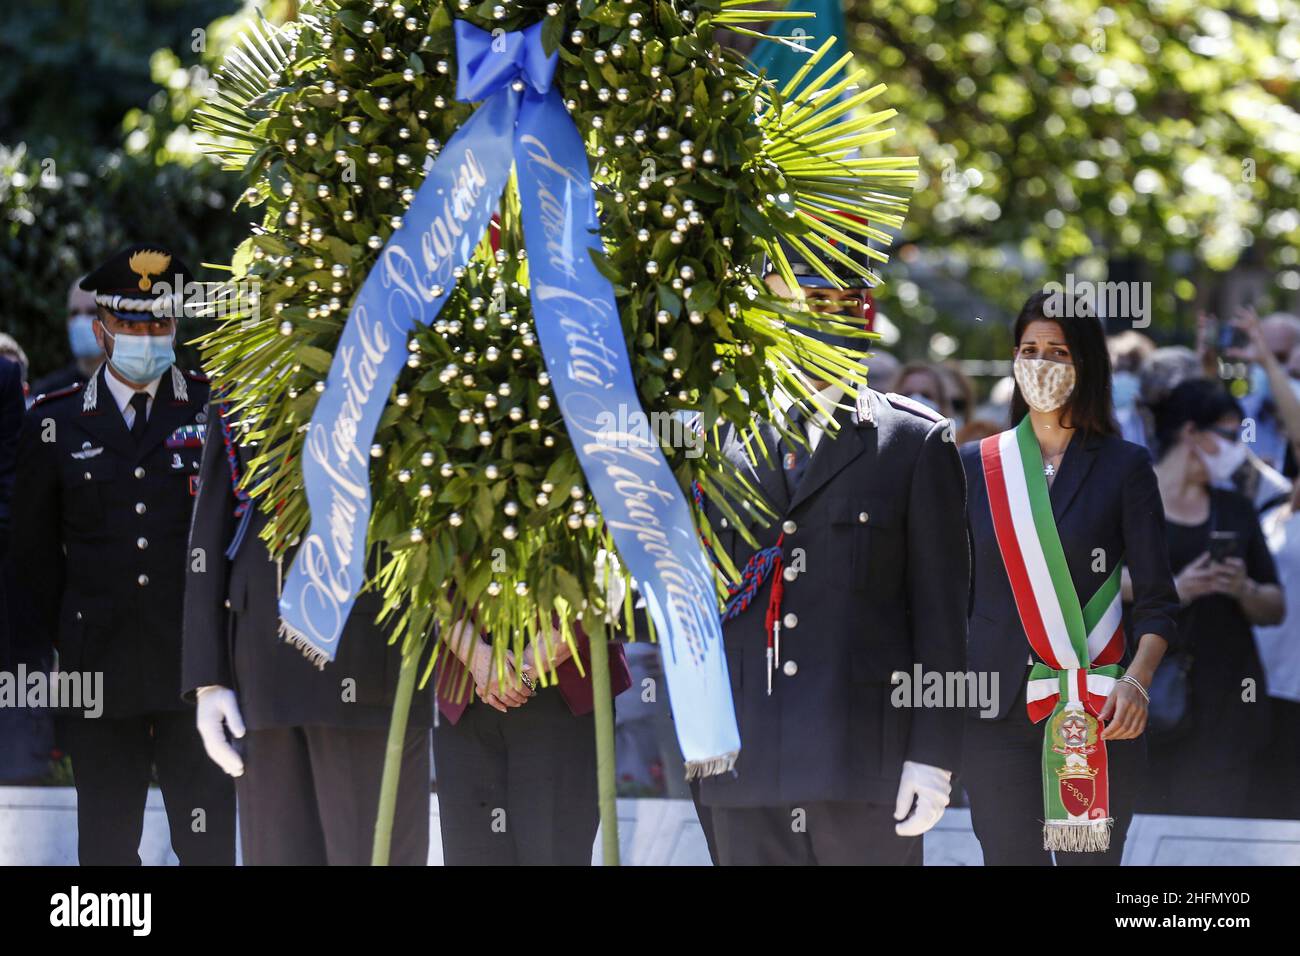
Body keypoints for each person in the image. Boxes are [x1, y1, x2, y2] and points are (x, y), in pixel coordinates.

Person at [693, 242, 969, 865]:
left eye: (833, 306)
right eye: (798, 303)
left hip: (863, 765)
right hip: (745, 763)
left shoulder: (910, 442)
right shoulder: (724, 439)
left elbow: (942, 623)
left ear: (859, 317)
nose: (814, 321)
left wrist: (933, 756)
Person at [10, 244, 235, 865]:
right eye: (132, 325)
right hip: (99, 675)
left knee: (208, 845)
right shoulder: (54, 425)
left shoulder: (213, 409)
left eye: (159, 324)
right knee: (106, 854)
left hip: (197, 672)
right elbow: (34, 563)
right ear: (104, 330)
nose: (146, 336)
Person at [961, 290, 1178, 865]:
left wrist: (1137, 683)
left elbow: (1159, 601)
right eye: (1029, 349)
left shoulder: (1125, 466)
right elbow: (949, 595)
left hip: (1098, 715)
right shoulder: (977, 466)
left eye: (1057, 351)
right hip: (998, 715)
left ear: (1085, 364)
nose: (1041, 363)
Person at [182, 404, 434, 865]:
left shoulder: (389, 344)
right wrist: (208, 677)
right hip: (262, 666)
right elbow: (214, 520)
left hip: (367, 654)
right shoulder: (250, 366)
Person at [1137, 379, 1284, 817]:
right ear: (1190, 432)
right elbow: (1090, 581)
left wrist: (1243, 588)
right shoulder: (1132, 500)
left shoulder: (1234, 506)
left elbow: (1275, 607)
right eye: (1229, 434)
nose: (1240, 447)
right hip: (1146, 699)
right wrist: (1174, 590)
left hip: (1228, 704)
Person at [430, 607, 632, 865]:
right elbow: (433, 582)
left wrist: (524, 670)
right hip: (464, 685)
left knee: (553, 854)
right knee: (471, 855)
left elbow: (600, 581)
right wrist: (477, 656)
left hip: (564, 686)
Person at [29, 278, 106, 399]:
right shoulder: (47, 394)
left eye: (92, 312)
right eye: (74, 313)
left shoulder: (131, 389)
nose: (81, 321)